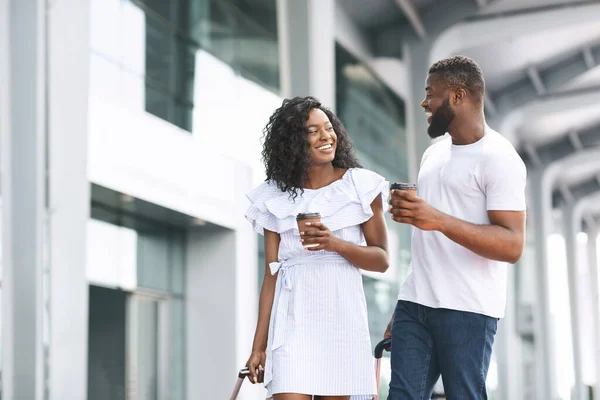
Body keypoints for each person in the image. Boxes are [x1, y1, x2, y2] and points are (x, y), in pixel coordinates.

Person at [385, 56, 527, 399]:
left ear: (457, 97)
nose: (424, 103)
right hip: (416, 304)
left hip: (469, 309)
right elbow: (425, 244)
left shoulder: (500, 158)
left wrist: (437, 220)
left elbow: (512, 245)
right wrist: (402, 303)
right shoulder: (432, 155)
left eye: (430, 94)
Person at [245, 96, 390, 400]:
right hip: (292, 325)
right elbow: (271, 275)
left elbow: (382, 260)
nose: (326, 137)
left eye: (329, 128)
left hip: (341, 323)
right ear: (293, 142)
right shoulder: (274, 196)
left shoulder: (360, 187)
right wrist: (258, 347)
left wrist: (334, 244)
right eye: (313, 131)